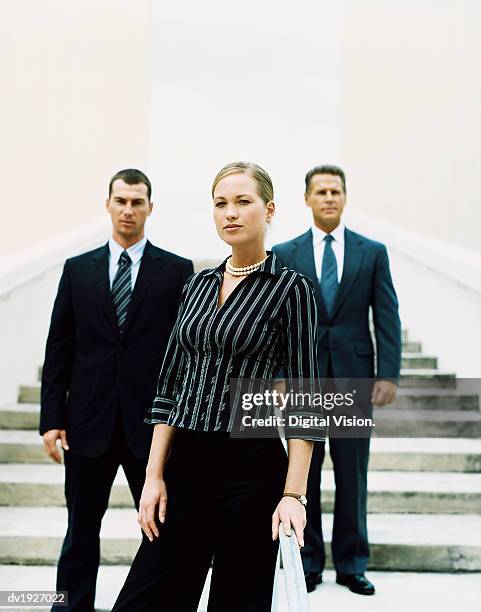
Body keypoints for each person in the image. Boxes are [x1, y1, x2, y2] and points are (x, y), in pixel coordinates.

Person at [112, 162, 323, 612]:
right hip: (186, 462)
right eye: (221, 203)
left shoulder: (292, 289)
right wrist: (153, 477)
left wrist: (293, 495)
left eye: (243, 202)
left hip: (251, 464)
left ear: (269, 211)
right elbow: (170, 385)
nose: (230, 212)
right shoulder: (197, 285)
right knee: (147, 598)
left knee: (237, 600)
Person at [39, 169, 194, 611]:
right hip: (88, 424)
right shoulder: (77, 270)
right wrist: (52, 418)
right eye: (121, 201)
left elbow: (182, 352)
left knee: (162, 524)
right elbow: (60, 348)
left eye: (137, 202)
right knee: (81, 528)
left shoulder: (177, 271)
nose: (128, 210)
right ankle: (69, 606)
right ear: (108, 204)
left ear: (150, 207)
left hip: (150, 425)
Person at [273, 164, 401, 596]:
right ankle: (307, 563)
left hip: (353, 378)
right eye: (320, 191)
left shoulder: (372, 251)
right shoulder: (286, 253)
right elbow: (274, 320)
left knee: (352, 476)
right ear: (307, 199)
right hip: (303, 379)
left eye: (335, 191)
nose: (328, 197)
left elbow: (386, 315)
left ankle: (351, 564)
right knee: (303, 477)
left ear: (344, 198)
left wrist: (387, 374)